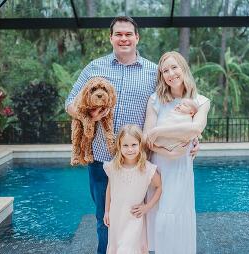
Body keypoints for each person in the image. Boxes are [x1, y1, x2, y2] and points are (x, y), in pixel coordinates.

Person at [64, 16, 159, 254]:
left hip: (136, 161)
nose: (124, 38)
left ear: (137, 38)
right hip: (101, 159)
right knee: (104, 217)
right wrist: (88, 117)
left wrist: (191, 137)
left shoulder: (153, 72)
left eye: (128, 34)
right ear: (111, 38)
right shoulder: (94, 68)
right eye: (119, 34)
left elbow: (167, 108)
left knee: (137, 215)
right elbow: (69, 103)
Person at [143, 51, 210, 254]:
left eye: (174, 67)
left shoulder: (201, 101)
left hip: (181, 168)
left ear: (183, 69)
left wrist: (160, 131)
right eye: (165, 70)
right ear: (161, 75)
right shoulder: (155, 100)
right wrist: (166, 151)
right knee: (159, 215)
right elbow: (146, 138)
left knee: (178, 212)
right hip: (160, 167)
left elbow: (195, 129)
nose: (171, 73)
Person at [102, 124, 162, 254]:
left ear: (140, 145)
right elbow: (109, 188)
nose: (130, 149)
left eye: (134, 145)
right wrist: (106, 211)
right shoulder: (113, 166)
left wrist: (147, 207)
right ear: (119, 146)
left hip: (134, 218)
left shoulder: (147, 168)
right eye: (125, 145)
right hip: (116, 216)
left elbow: (159, 187)